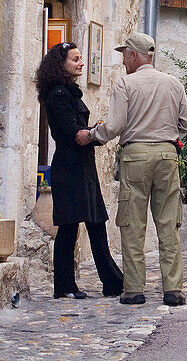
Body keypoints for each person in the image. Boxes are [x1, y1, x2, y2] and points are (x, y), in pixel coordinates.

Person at [77, 33, 187, 306]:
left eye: (124, 55)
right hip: (167, 155)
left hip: (135, 156)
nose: (123, 60)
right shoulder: (173, 83)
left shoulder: (125, 84)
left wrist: (93, 135)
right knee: (168, 225)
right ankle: (173, 289)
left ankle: (133, 290)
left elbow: (116, 125)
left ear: (133, 54)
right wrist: (166, 129)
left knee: (132, 224)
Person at [36, 42, 124, 300]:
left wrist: (95, 132)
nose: (81, 63)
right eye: (75, 59)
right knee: (70, 226)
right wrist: (102, 132)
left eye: (80, 58)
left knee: (95, 222)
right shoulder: (58, 95)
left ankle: (111, 282)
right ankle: (66, 286)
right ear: (61, 64)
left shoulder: (69, 93)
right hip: (69, 166)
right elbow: (75, 134)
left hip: (82, 165)